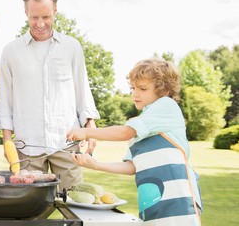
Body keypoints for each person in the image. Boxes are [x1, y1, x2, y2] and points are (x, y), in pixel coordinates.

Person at [67, 58, 202, 225]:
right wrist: (95, 164)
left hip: (178, 199)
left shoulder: (166, 106)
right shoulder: (141, 123)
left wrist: (86, 131)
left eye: (143, 89)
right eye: (133, 88)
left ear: (164, 90)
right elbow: (132, 166)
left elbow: (125, 132)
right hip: (151, 201)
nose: (135, 94)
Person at [0, 0, 99, 191]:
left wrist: (90, 128)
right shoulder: (11, 51)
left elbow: (82, 91)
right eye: (34, 17)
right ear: (25, 12)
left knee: (74, 204)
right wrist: (7, 141)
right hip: (27, 145)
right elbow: (5, 99)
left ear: (55, 11)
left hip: (66, 143)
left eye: (46, 17)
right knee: (28, 210)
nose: (40, 23)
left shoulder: (72, 47)